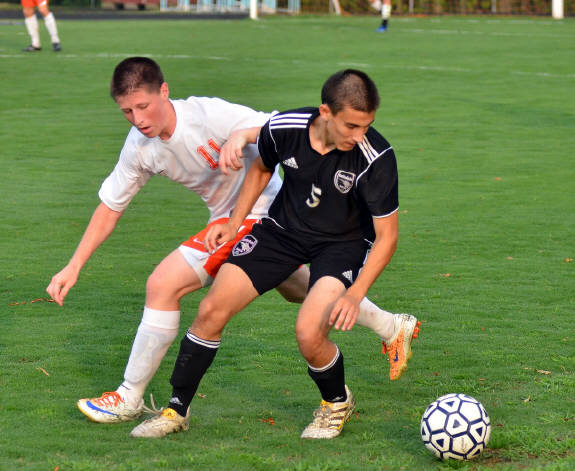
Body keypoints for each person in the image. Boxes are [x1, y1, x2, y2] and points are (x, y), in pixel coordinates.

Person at [46, 57, 407, 425]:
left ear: (164, 92)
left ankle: (129, 396)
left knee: (163, 285)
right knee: (305, 291)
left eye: (143, 106)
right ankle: (390, 325)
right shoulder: (140, 146)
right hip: (239, 221)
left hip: (265, 212)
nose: (138, 118)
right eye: (127, 111)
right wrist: (74, 265)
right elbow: (111, 206)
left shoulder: (207, 115)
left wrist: (241, 135)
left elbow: (277, 127)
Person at [130, 69, 420, 440]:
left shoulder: (376, 157)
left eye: (367, 126)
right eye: (351, 126)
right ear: (325, 112)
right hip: (282, 231)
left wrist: (355, 293)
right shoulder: (285, 127)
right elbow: (262, 167)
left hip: (342, 244)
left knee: (309, 332)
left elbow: (387, 237)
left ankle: (336, 402)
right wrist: (234, 224)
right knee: (211, 309)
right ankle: (176, 411)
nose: (359, 136)